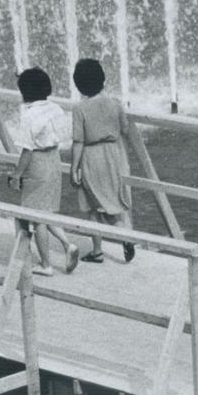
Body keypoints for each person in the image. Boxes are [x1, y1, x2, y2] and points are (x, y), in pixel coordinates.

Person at [6, 67, 79, 276]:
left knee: (36, 218)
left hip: (37, 163)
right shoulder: (55, 108)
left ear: (25, 92)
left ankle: (46, 264)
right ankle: (67, 245)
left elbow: (27, 151)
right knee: (46, 211)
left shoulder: (29, 115)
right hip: (54, 159)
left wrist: (17, 174)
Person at [69, 57, 135, 264]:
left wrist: (74, 168)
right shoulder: (114, 103)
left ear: (78, 85)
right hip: (114, 156)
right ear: (103, 80)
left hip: (91, 157)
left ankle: (97, 250)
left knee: (92, 206)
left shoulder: (80, 109)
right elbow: (124, 129)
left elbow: (78, 141)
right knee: (114, 200)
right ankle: (125, 234)